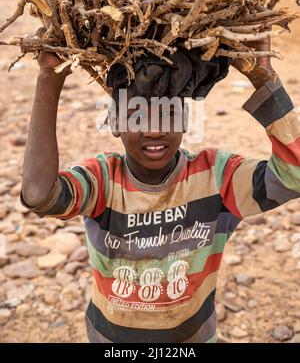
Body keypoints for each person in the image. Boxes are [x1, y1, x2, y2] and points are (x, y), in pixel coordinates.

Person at [20, 35, 300, 343]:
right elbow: (39, 195)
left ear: (184, 121)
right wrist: (49, 76)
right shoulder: (102, 180)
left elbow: (294, 176)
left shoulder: (216, 177)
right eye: (136, 115)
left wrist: (263, 78)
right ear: (114, 122)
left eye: (168, 113)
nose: (154, 129)